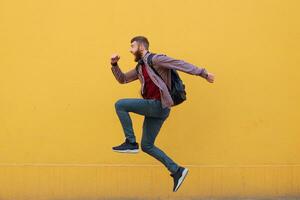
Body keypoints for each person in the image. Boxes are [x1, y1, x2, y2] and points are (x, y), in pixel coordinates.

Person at [110, 36, 215, 192]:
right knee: (147, 145)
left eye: (132, 46)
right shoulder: (140, 67)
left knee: (120, 105)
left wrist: (203, 73)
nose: (130, 50)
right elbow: (123, 79)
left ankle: (131, 142)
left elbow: (180, 64)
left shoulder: (156, 59)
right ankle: (177, 170)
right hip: (159, 110)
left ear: (141, 47)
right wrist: (114, 64)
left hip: (158, 105)